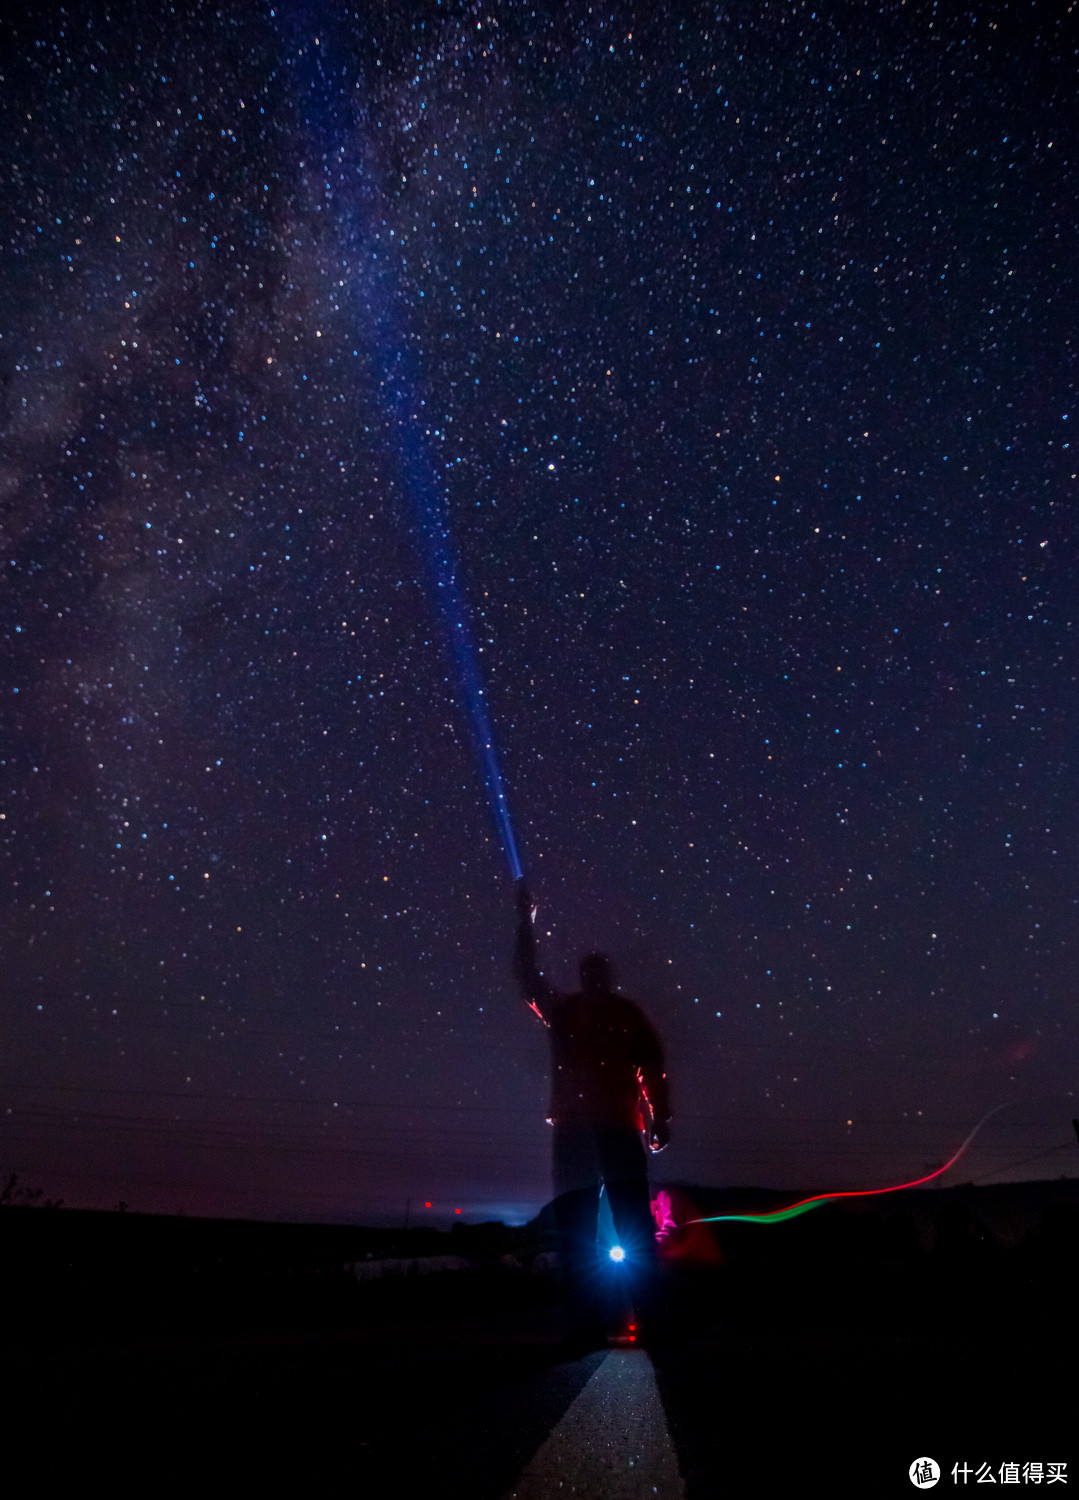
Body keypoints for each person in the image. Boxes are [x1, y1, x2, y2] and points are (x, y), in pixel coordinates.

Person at [513, 879, 671, 1347]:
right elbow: (527, 976)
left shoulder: (618, 1014)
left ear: (604, 976)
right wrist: (526, 922)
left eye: (596, 970)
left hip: (608, 1128)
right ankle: (605, 1322)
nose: (592, 976)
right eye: (589, 970)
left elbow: (652, 1065)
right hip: (592, 1128)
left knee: (606, 1223)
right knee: (595, 1223)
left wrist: (659, 1116)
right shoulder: (573, 1011)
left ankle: (614, 1321)